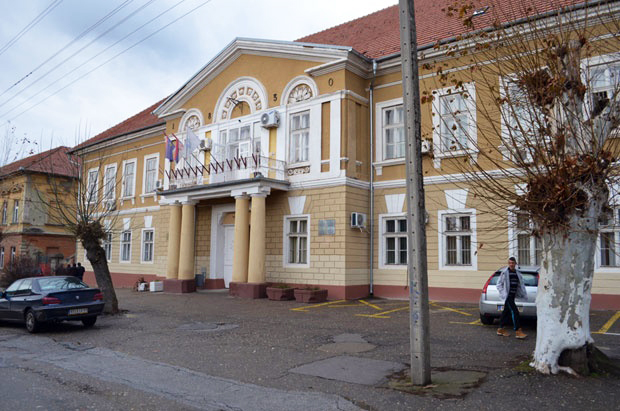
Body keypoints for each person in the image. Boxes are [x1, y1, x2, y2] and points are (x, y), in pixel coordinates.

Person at [496, 257, 528, 339]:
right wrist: (503, 293)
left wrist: (522, 293)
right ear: (508, 263)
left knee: (506, 312)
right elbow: (499, 284)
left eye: (513, 263)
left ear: (515, 264)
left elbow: (520, 285)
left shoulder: (517, 273)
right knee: (515, 311)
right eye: (510, 263)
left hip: (513, 295)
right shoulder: (504, 273)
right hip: (508, 296)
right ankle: (518, 331)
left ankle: (500, 329)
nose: (511, 264)